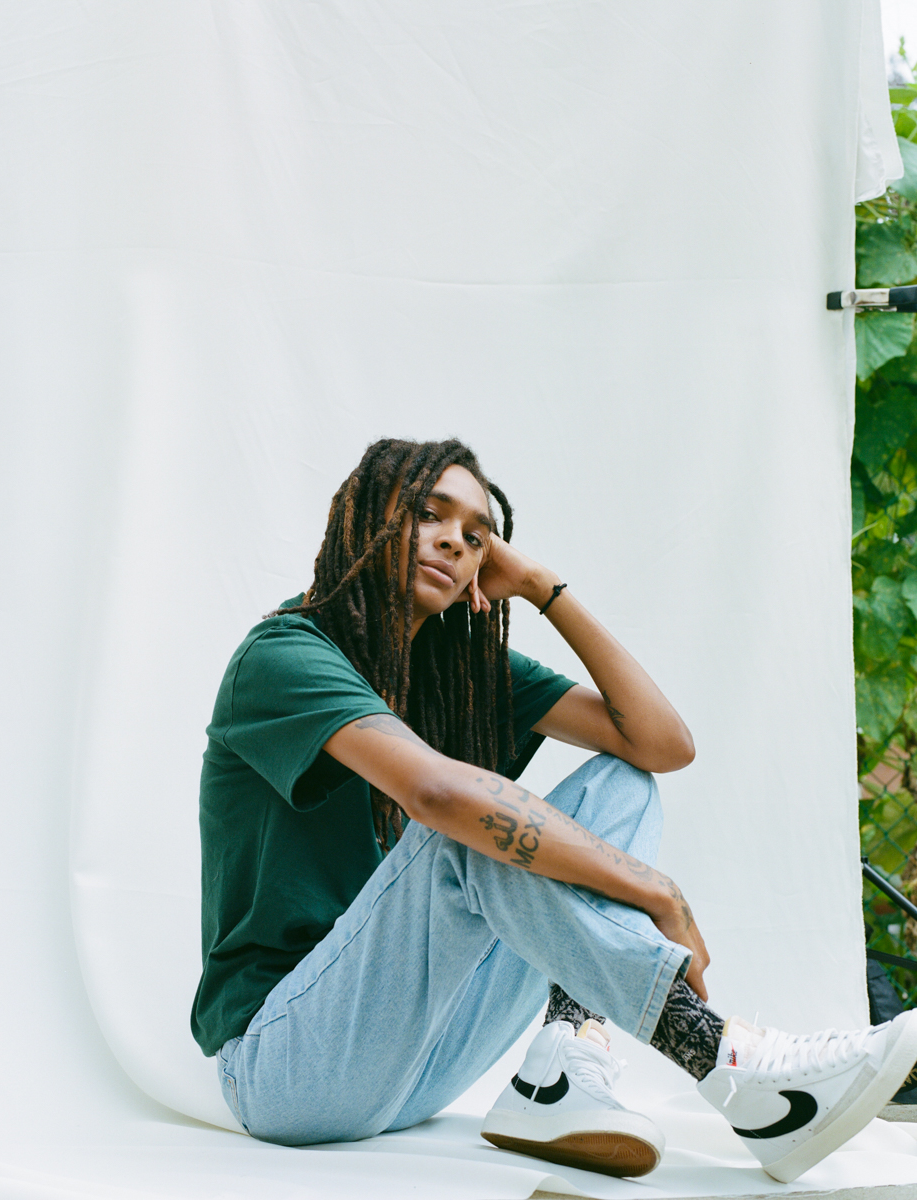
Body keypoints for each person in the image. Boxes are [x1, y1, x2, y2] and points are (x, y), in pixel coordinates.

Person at [191, 437, 917, 1184]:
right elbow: (439, 795)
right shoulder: (284, 654)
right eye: (425, 514)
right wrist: (650, 886)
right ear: (360, 517)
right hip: (287, 1068)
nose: (452, 539)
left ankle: (562, 1063)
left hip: (418, 1065)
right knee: (467, 828)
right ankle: (728, 1060)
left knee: (621, 786)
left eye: (476, 536)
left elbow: (660, 744)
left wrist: (542, 587)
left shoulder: (456, 672)